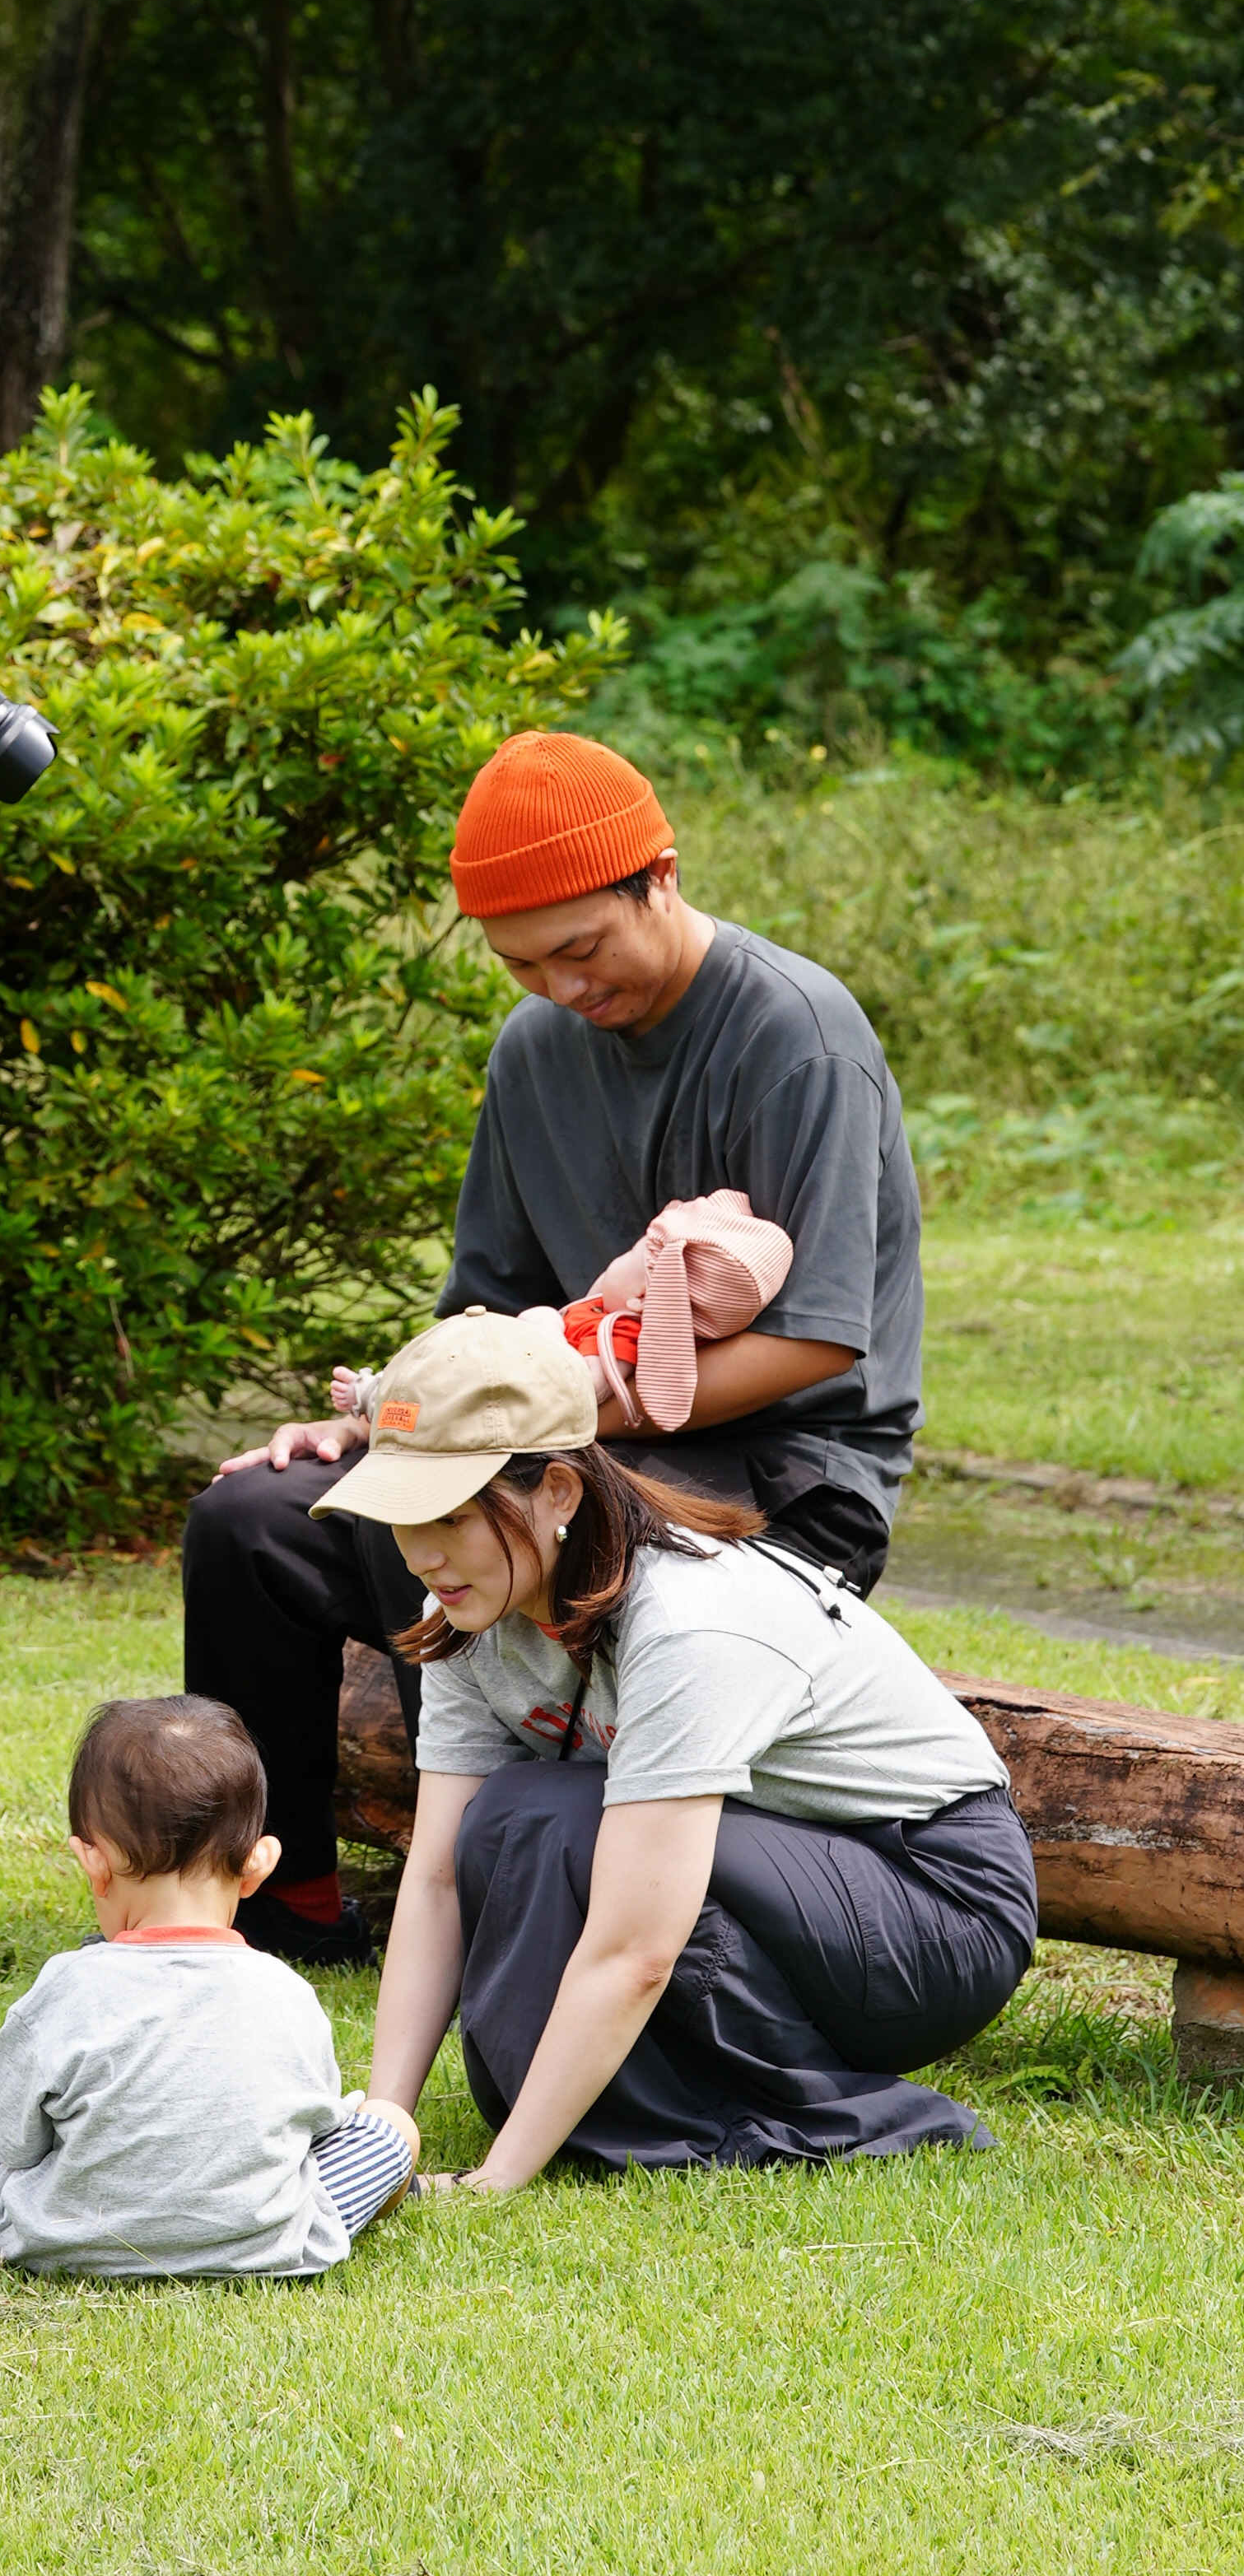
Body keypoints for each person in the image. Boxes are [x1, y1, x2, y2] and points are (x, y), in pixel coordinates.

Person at [183, 724, 926, 1968]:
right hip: (559, 1447)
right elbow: (484, 1313)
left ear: (663, 877)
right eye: (523, 965)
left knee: (505, 1517)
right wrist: (389, 1424)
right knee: (258, 1525)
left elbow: (817, 1346)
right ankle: (281, 1900)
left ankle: (494, 1881)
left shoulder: (799, 1033)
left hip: (786, 1477)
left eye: (581, 948)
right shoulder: (533, 1053)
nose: (564, 989)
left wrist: (546, 1419)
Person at [329, 1314, 1035, 2178]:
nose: (422, 1555)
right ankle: (639, 2109)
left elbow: (638, 1948)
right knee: (515, 1816)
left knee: (557, 1818)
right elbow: (437, 1875)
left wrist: (495, 2179)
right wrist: (385, 2125)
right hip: (777, 1869)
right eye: (400, 1519)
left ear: (558, 1490)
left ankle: (832, 2111)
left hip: (932, 1907)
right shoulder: (470, 1608)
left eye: (449, 1515)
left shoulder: (688, 1619)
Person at [0, 1697, 419, 2278]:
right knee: (392, 2126)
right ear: (258, 1864)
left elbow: (0, 2135)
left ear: (91, 1863)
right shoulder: (286, 1992)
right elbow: (313, 2133)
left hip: (63, 2245)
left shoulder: (69, 1986)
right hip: (263, 2247)